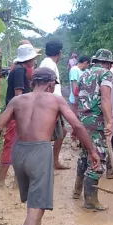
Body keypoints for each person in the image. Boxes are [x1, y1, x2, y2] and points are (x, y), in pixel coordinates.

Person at [0, 68, 100, 225]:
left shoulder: (17, 101)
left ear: (33, 82)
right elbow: (77, 125)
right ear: (49, 84)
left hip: (19, 152)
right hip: (40, 152)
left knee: (33, 201)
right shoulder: (55, 100)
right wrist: (92, 150)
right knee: (36, 208)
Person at [73, 49, 113, 211]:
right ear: (108, 63)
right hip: (96, 122)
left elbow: (76, 99)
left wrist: (75, 123)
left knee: (85, 154)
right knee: (98, 158)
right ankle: (90, 200)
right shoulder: (105, 74)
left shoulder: (84, 74)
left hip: (83, 121)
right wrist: (110, 122)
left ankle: (77, 190)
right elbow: (105, 99)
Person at [0, 43, 40, 189]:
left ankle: (16, 182)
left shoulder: (19, 70)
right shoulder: (20, 72)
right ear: (29, 59)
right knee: (11, 146)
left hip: (17, 115)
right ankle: (2, 181)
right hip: (17, 116)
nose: (34, 61)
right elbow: (18, 97)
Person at [39, 40, 69, 170]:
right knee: (53, 133)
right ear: (60, 52)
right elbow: (47, 87)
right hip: (51, 104)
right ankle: (51, 162)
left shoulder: (45, 63)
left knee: (61, 131)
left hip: (49, 103)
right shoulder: (50, 65)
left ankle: (53, 161)